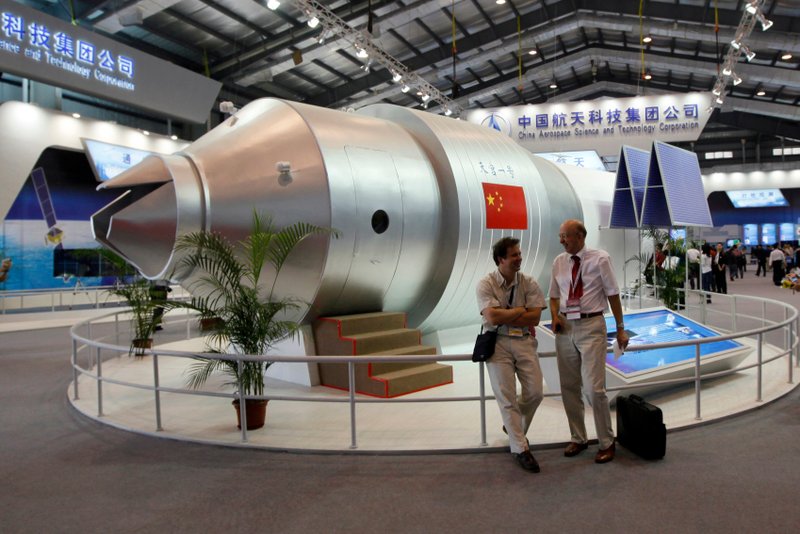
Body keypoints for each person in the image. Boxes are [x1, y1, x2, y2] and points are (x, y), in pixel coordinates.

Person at [549, 219, 629, 464]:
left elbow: (613, 293)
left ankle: (606, 441)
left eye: (566, 236)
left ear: (580, 236)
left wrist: (621, 328)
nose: (561, 240)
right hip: (566, 328)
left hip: (592, 325)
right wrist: (554, 316)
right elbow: (553, 295)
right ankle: (578, 437)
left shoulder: (600, 258)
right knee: (569, 387)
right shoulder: (559, 262)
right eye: (560, 236)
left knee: (594, 389)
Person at [476, 237, 546, 473]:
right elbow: (492, 318)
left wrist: (505, 313)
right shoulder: (485, 284)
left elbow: (534, 318)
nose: (519, 258)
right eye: (514, 255)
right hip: (497, 343)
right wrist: (518, 310)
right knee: (507, 397)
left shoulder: (529, 282)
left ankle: (513, 428)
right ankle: (520, 448)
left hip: (524, 340)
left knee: (536, 392)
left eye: (519, 253)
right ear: (501, 259)